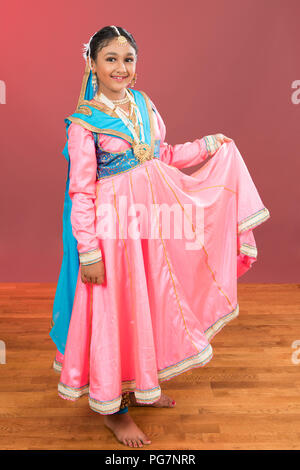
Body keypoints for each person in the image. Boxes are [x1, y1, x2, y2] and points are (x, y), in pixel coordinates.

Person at [50, 25, 270, 448]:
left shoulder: (144, 105)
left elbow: (162, 155)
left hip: (151, 224)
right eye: (110, 58)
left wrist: (208, 146)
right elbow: (81, 190)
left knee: (147, 304)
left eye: (128, 59)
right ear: (92, 63)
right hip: (113, 232)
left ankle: (142, 381)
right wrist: (90, 251)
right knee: (116, 311)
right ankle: (114, 408)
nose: (121, 67)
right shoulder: (84, 123)